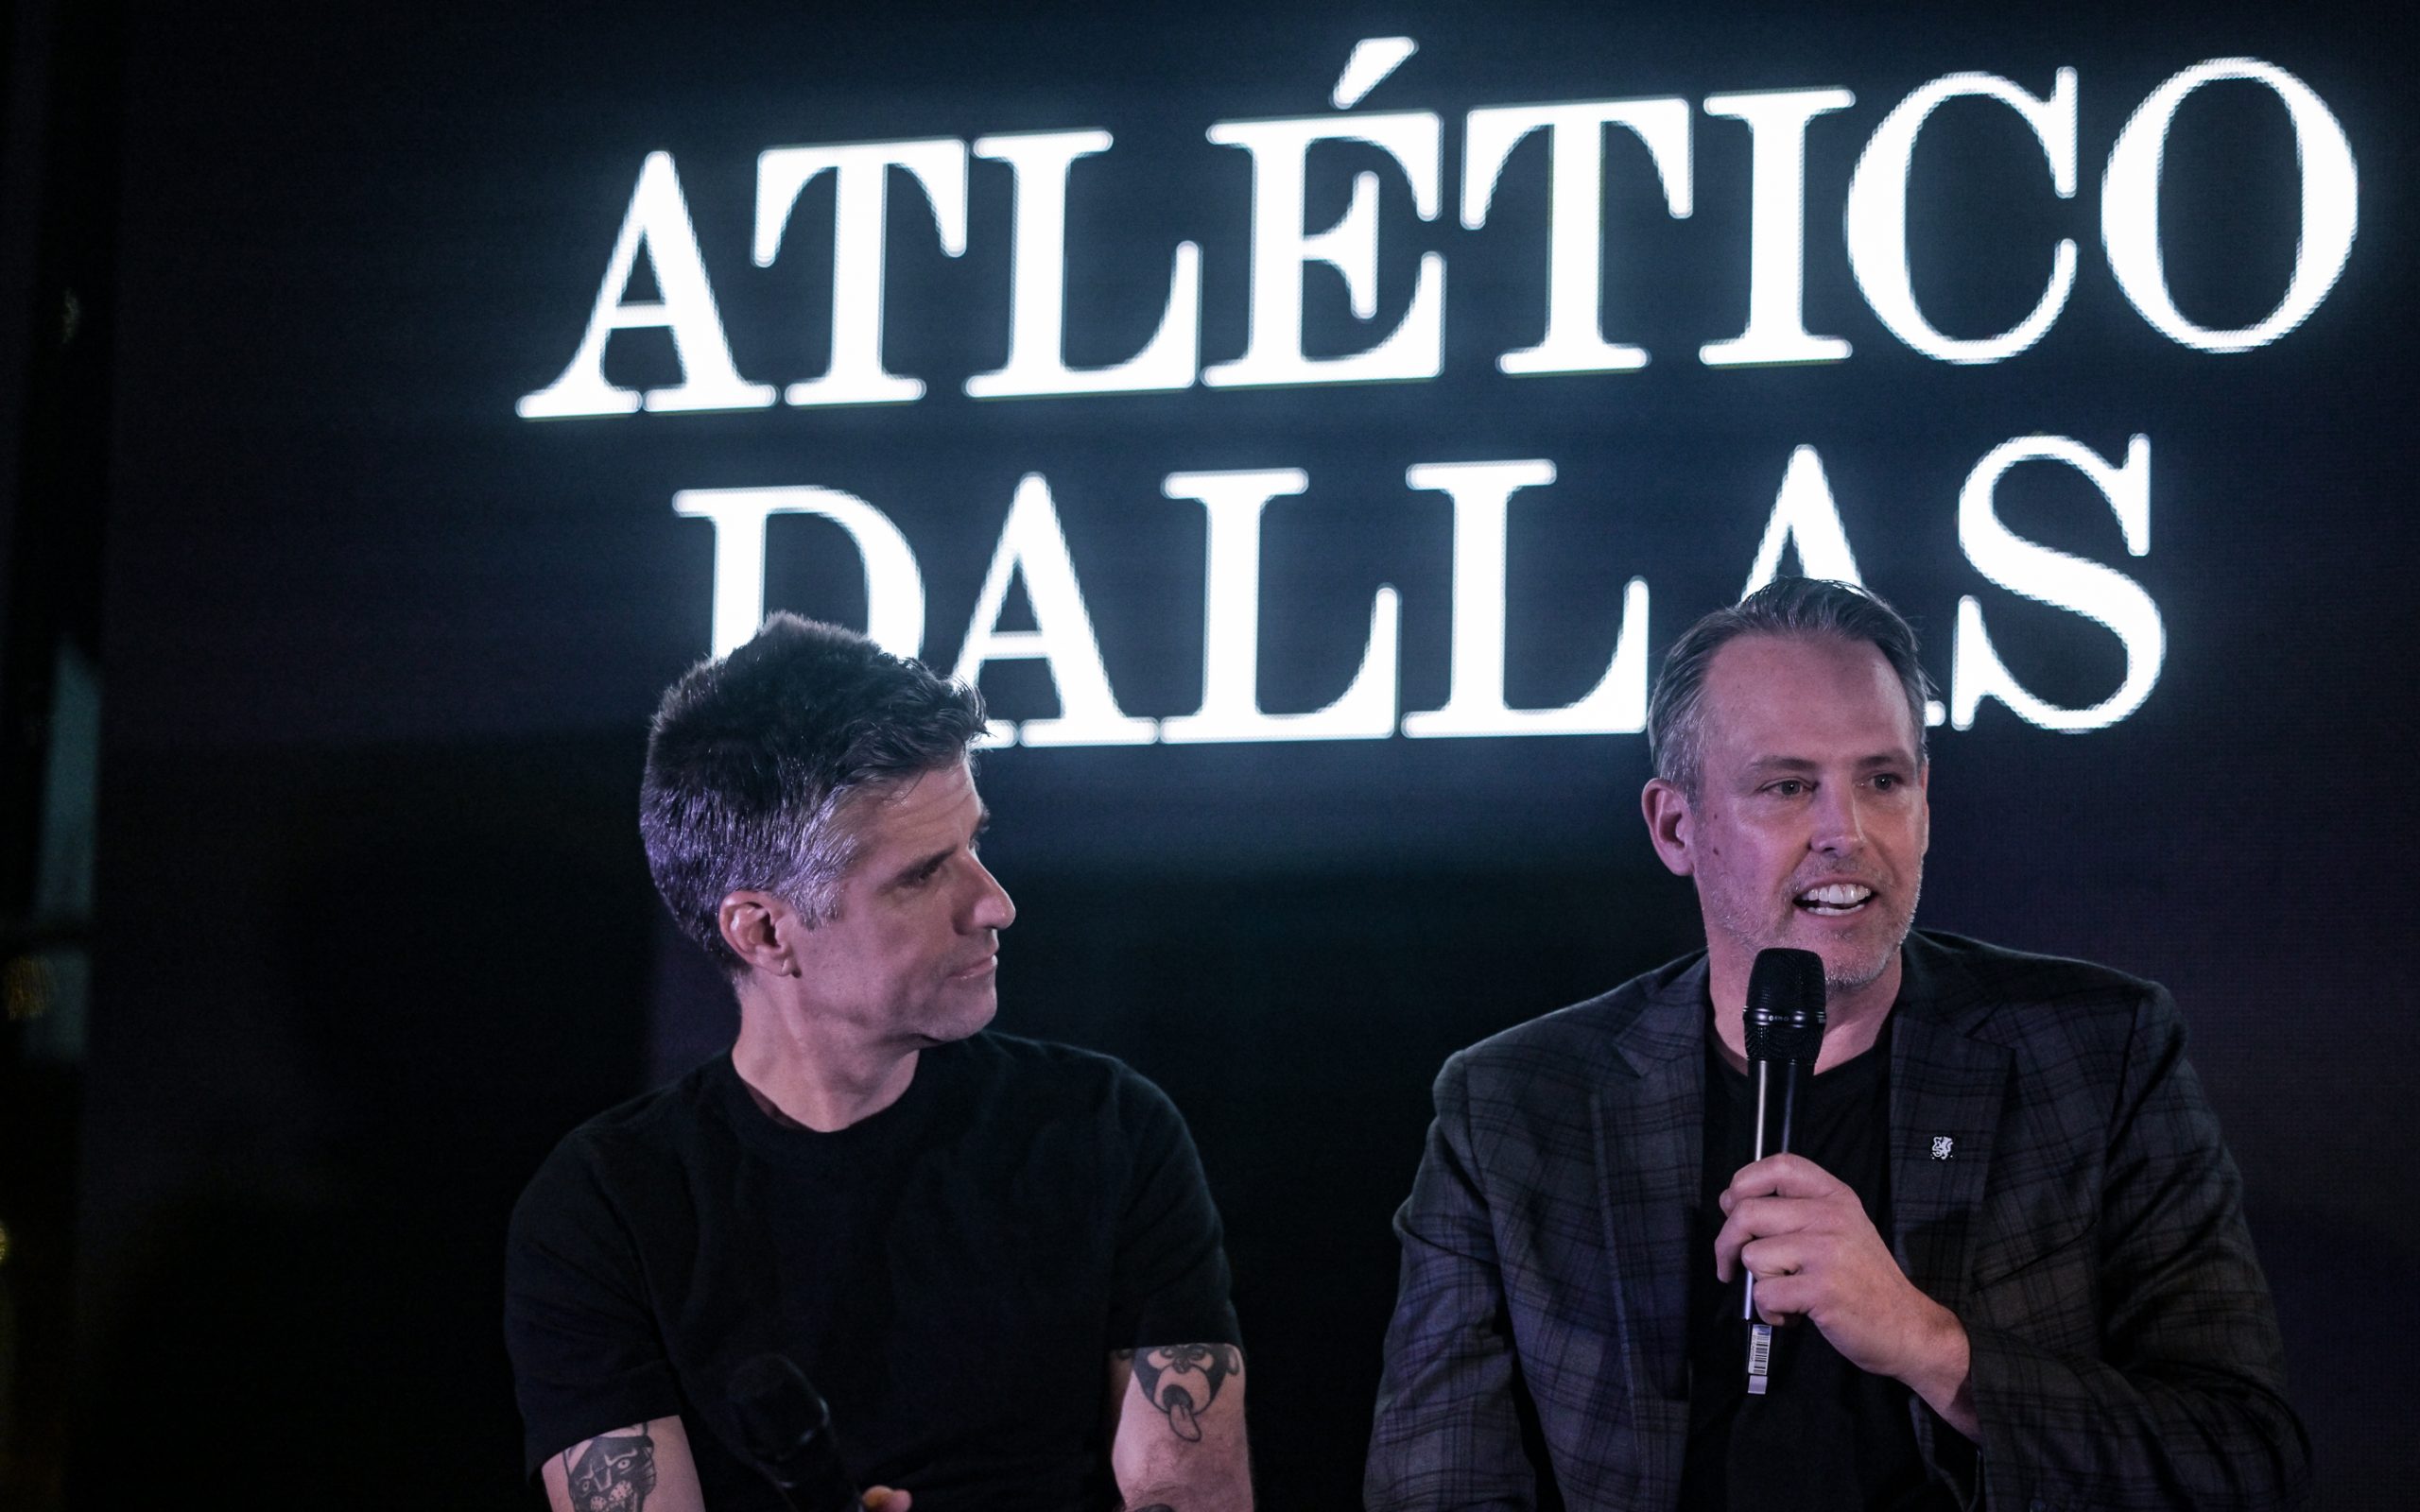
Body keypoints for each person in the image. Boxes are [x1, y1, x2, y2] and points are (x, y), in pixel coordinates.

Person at [1365, 576, 2308, 1510]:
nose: (1843, 832)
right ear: (1675, 825)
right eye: (1785, 786)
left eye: (1881, 780)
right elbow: (1435, 1484)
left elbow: (2241, 1460)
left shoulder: (2098, 1056)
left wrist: (1930, 1344)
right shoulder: (1516, 1106)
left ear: (1924, 804)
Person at [506, 614, 1251, 1512]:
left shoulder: (1105, 1129)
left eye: (976, 844)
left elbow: (1191, 1496)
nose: (995, 904)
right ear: (766, 930)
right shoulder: (607, 1204)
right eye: (921, 875)